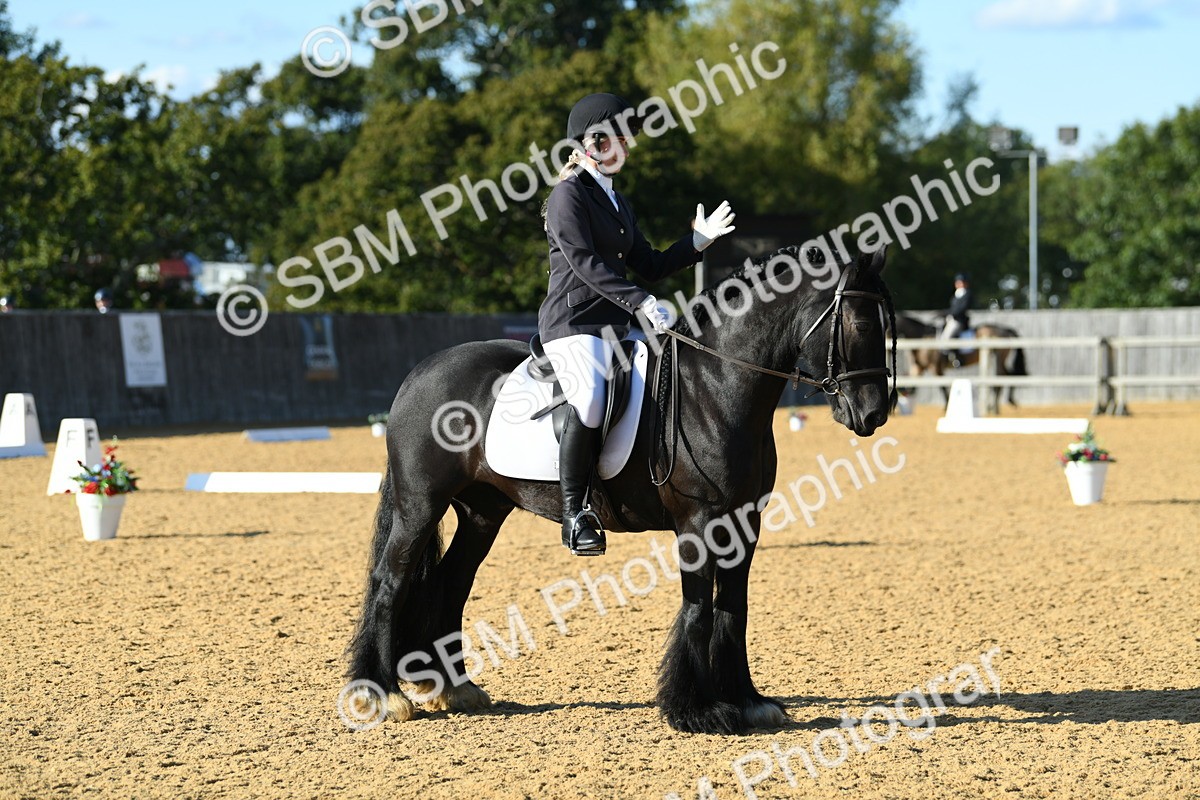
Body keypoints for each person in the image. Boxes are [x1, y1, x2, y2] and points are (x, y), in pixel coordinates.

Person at [538, 92, 735, 556]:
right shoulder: (569, 196)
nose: (625, 145)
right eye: (618, 137)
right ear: (591, 142)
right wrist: (641, 301)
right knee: (589, 396)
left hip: (618, 322)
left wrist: (696, 242)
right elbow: (584, 263)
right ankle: (575, 512)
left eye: (627, 138)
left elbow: (648, 262)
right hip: (575, 323)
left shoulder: (616, 201)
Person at [940, 273, 972, 367]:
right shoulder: (956, 295)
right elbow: (952, 308)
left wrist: (950, 313)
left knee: (948, 336)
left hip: (959, 321)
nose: (959, 284)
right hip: (952, 319)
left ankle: (956, 358)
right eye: (957, 282)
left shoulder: (967, 294)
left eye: (961, 282)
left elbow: (961, 309)